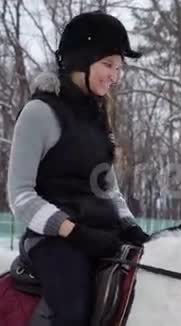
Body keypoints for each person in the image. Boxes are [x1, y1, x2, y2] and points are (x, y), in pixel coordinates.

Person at [6, 10, 150, 326]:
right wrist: (74, 232)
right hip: (53, 242)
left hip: (102, 234)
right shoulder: (39, 113)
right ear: (81, 60)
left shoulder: (97, 119)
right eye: (108, 65)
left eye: (119, 68)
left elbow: (107, 186)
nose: (116, 75)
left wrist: (130, 226)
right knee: (73, 311)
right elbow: (20, 196)